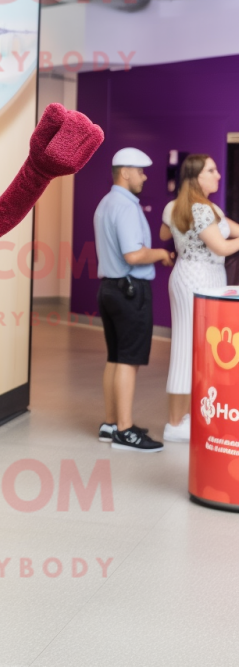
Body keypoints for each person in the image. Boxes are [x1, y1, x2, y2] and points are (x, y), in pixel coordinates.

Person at [94, 148, 174, 451]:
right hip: (130, 291)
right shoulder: (126, 207)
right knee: (128, 361)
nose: (144, 176)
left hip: (109, 289)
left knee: (115, 357)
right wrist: (162, 254)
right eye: (140, 171)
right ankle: (125, 431)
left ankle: (111, 424)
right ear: (125, 173)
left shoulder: (105, 203)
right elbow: (134, 254)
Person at [160, 155, 239, 441]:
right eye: (212, 170)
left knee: (196, 349)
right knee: (188, 350)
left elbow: (164, 231)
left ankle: (188, 417)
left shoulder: (183, 206)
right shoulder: (202, 209)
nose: (218, 175)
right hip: (199, 278)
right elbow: (220, 245)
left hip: (193, 276)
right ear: (196, 177)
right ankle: (175, 424)